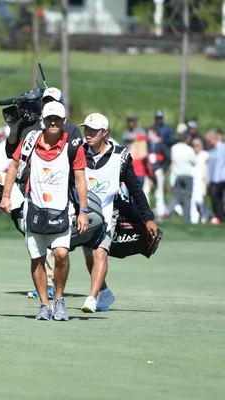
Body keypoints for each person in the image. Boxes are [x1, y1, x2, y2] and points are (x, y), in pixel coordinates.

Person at [0, 101, 89, 321]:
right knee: (37, 258)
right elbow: (13, 166)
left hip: (61, 209)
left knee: (61, 254)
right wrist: (5, 195)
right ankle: (44, 304)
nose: (53, 122)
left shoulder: (73, 145)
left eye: (57, 119)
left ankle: (59, 300)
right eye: (49, 118)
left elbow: (80, 179)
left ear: (64, 121)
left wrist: (83, 210)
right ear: (43, 120)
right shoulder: (30, 141)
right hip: (35, 209)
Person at [77, 113, 158, 313]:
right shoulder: (78, 152)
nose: (88, 134)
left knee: (100, 253)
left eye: (93, 131)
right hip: (85, 215)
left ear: (105, 133)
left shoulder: (120, 157)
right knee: (89, 257)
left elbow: (135, 189)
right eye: (86, 129)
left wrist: (148, 218)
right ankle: (104, 292)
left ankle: (91, 298)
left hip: (107, 214)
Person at [169, 133, 196, 223]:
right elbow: (194, 161)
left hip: (178, 175)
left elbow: (173, 159)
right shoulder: (189, 149)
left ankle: (168, 213)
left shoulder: (174, 148)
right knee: (187, 198)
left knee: (176, 196)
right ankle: (187, 219)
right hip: (188, 175)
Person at [206, 130, 225, 224]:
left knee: (215, 196)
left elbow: (221, 164)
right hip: (213, 178)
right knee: (216, 197)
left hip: (221, 178)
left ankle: (220, 217)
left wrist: (217, 178)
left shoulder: (222, 147)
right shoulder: (211, 149)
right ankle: (219, 216)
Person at [190, 137, 210, 224]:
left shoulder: (205, 154)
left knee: (200, 199)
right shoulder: (192, 155)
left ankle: (205, 214)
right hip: (193, 179)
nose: (196, 148)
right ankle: (194, 219)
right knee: (193, 200)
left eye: (198, 146)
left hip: (202, 180)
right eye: (194, 146)